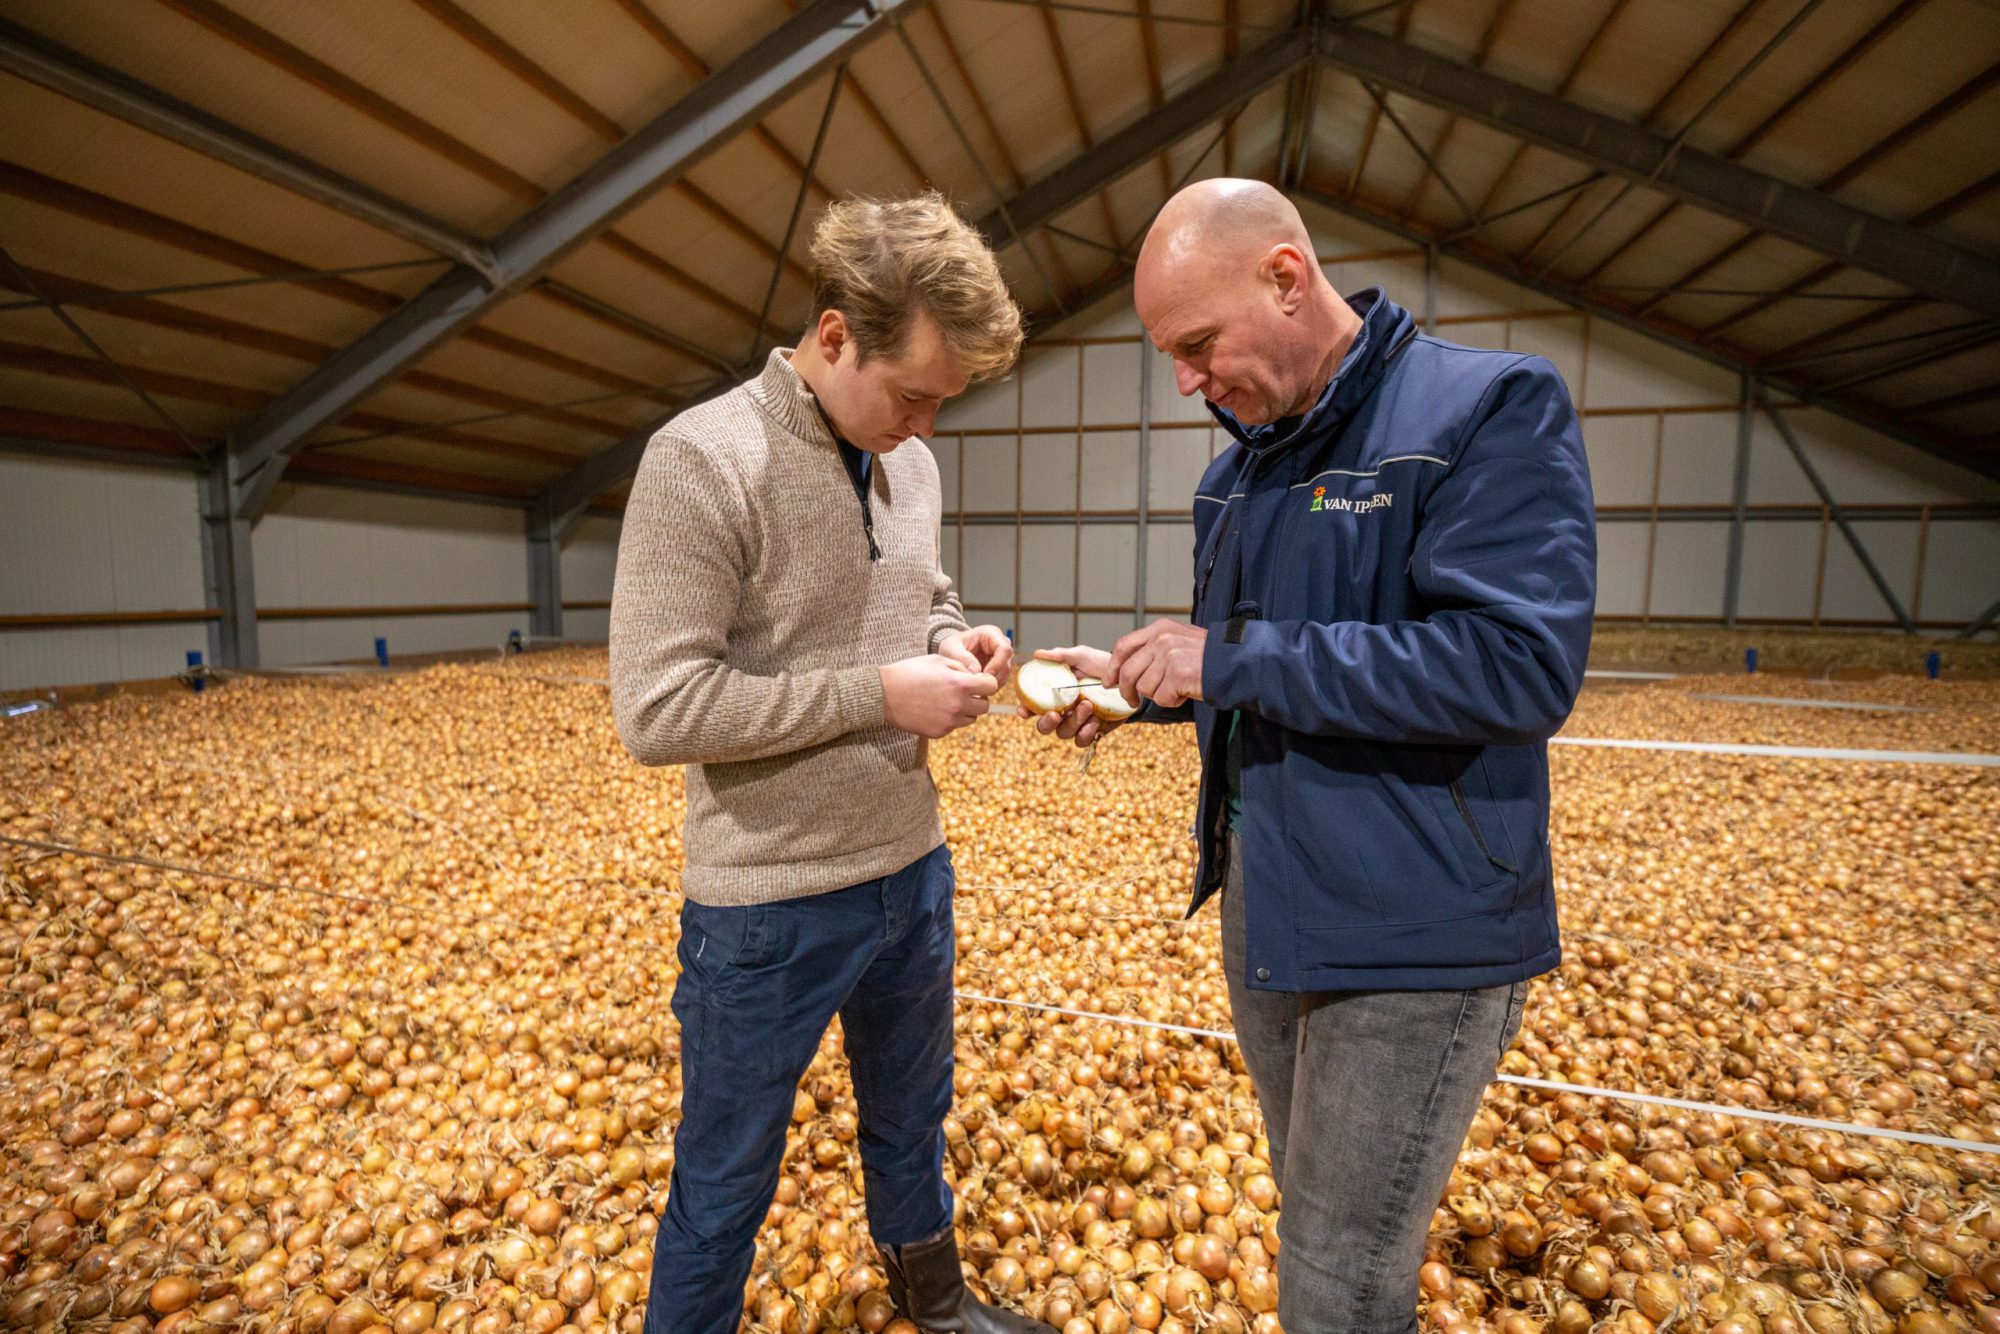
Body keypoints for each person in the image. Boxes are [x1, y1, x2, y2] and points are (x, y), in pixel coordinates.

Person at [1027, 179, 1596, 1333]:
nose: (1184, 381)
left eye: (1194, 344)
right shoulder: (1236, 472)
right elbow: (1254, 671)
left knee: (1335, 1271)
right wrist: (1143, 687)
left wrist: (1224, 657)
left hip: (1411, 927)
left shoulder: (1480, 410)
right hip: (1270, 907)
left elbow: (1513, 665)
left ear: (1285, 276)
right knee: (1323, 1224)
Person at [611, 192, 1053, 1334]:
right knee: (723, 1177)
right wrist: (876, 693)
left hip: (908, 864)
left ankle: (937, 1301)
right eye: (912, 395)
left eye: (942, 403)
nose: (924, 427)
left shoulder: (907, 463)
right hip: (766, 901)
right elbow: (656, 709)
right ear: (833, 334)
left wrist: (956, 635)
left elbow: (917, 587)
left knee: (912, 1116)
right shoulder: (701, 460)